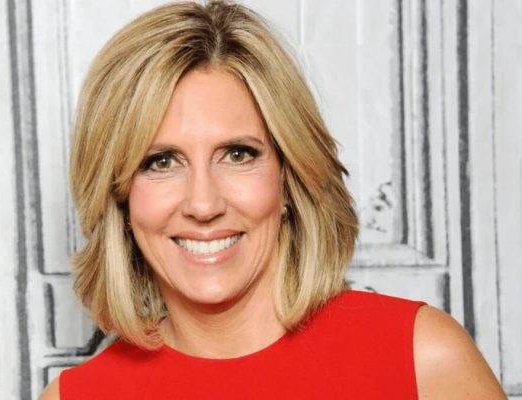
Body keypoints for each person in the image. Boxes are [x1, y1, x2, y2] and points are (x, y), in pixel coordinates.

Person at [40, 1, 506, 398]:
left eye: (237, 154)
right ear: (121, 198)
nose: (203, 204)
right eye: (160, 162)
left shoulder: (422, 361)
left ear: (288, 174)